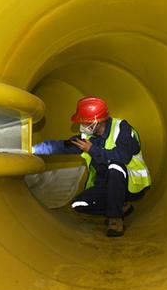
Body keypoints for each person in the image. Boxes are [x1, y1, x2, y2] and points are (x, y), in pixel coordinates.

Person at [32, 96, 151, 237]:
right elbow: (61, 146)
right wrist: (34, 150)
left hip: (131, 185)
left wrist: (92, 150)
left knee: (115, 166)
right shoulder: (88, 138)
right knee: (79, 205)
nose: (81, 126)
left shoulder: (122, 130)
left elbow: (122, 156)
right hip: (106, 187)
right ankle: (121, 206)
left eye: (84, 122)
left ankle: (115, 219)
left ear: (97, 121)